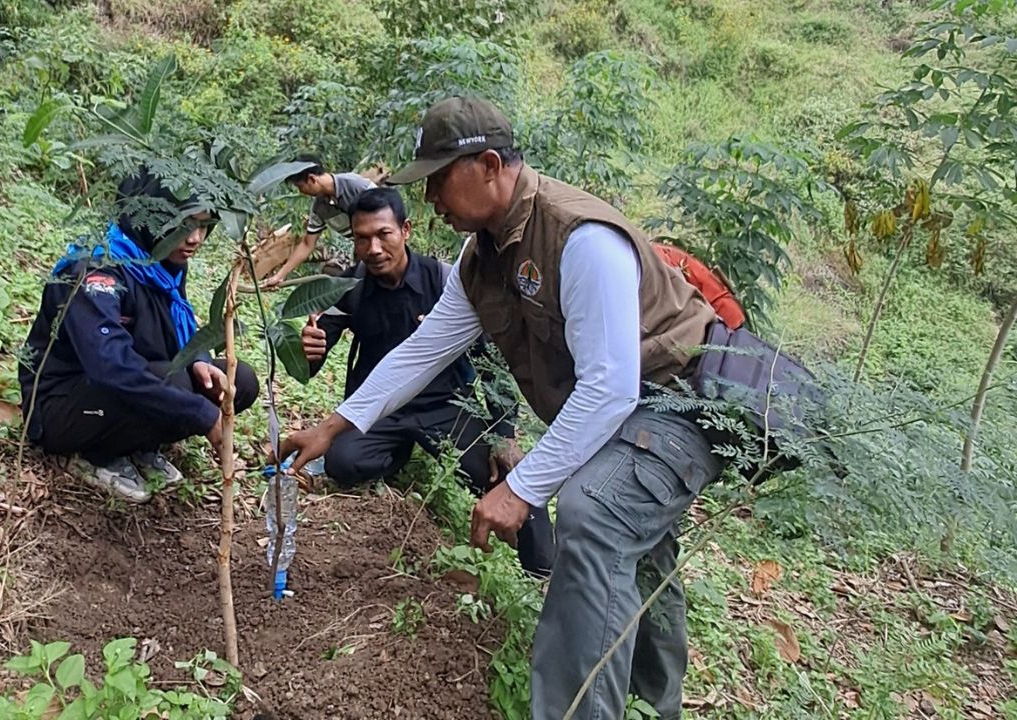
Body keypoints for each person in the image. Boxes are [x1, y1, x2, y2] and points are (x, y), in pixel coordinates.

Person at [278, 96, 726, 720]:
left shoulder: (581, 239)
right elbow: (424, 350)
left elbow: (610, 388)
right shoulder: (482, 256)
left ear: (488, 166)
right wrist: (333, 426)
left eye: (439, 180)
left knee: (594, 513)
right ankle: (655, 704)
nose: (430, 198)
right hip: (628, 410)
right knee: (639, 548)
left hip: (678, 402)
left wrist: (520, 487)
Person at [302, 187, 555, 576]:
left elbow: (492, 363)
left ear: (406, 230)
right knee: (343, 462)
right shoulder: (347, 288)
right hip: (381, 412)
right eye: (362, 238)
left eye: (383, 234)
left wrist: (503, 434)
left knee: (507, 477)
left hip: (446, 409)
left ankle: (544, 572)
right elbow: (313, 358)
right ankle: (400, 452)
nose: (373, 249)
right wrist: (309, 348)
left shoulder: (446, 282)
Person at [19, 168, 260, 504]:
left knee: (238, 382)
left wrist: (198, 359)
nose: (195, 238)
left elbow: (176, 324)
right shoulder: (96, 271)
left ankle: (137, 444)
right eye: (184, 224)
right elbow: (110, 367)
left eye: (204, 225)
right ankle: (96, 454)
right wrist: (200, 414)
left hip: (130, 386)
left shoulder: (163, 261)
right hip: (64, 407)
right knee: (176, 387)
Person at [262, 154, 376, 289]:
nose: (301, 192)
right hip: (363, 255)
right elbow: (307, 244)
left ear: (312, 179)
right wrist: (279, 276)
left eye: (300, 186)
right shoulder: (319, 208)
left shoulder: (356, 186)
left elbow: (390, 214)